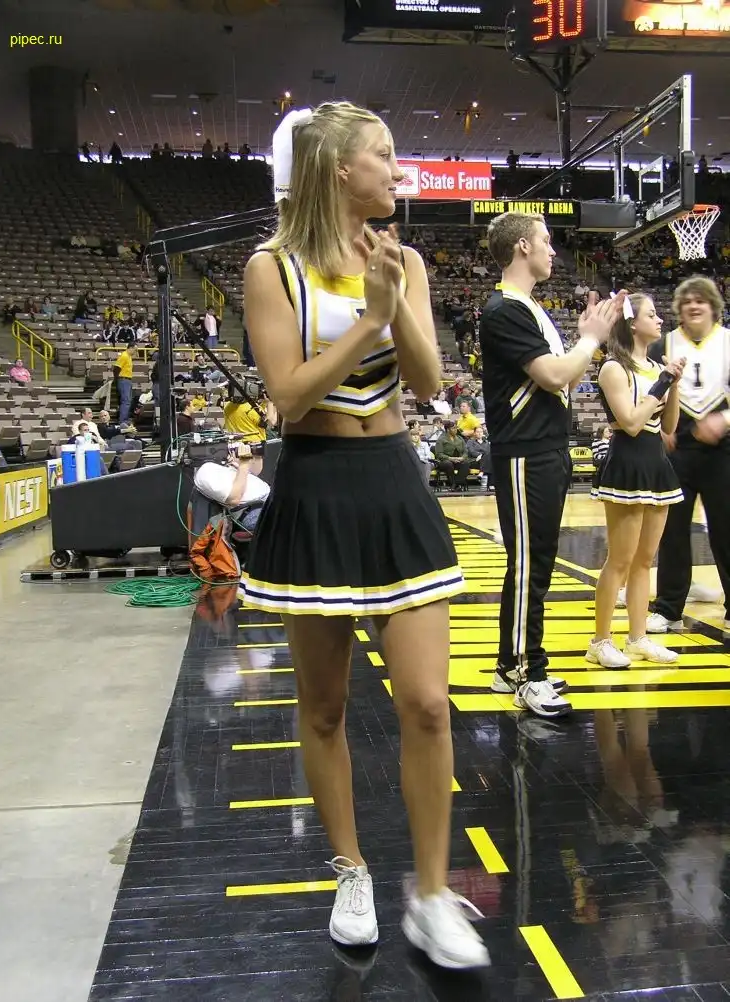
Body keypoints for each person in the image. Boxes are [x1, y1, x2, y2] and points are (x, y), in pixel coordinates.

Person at [237, 102, 488, 968]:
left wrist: (396, 306)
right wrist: (371, 322)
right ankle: (352, 871)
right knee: (324, 707)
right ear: (339, 168)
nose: (398, 168)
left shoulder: (404, 259)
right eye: (384, 154)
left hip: (392, 481)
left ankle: (431, 894)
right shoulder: (271, 268)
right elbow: (288, 396)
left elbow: (429, 381)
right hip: (316, 484)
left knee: (426, 702)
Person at [478, 211, 624, 718]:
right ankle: (526, 672)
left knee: (535, 563)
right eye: (545, 240)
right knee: (529, 565)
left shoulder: (528, 307)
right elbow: (555, 375)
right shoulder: (504, 309)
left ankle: (511, 664)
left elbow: (562, 378)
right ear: (522, 246)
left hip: (544, 448)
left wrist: (586, 337)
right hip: (524, 450)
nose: (552, 250)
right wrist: (592, 337)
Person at [588, 294, 686, 667]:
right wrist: (661, 383)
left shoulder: (655, 368)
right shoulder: (614, 368)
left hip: (656, 464)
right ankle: (600, 641)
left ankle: (638, 638)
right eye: (652, 314)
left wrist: (673, 384)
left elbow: (669, 426)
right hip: (626, 465)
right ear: (632, 323)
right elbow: (629, 422)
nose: (659, 320)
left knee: (645, 561)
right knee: (620, 560)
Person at [647, 275, 730, 634]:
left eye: (701, 300)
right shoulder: (663, 344)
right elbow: (646, 389)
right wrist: (657, 426)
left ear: (714, 306)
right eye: (687, 301)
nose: (694, 306)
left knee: (726, 528)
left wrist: (724, 419)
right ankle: (669, 608)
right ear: (679, 309)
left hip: (722, 449)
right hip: (676, 448)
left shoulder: (727, 341)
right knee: (672, 531)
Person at [194, 442, 269, 530]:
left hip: (268, 499)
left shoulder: (228, 463)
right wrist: (243, 464)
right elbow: (234, 499)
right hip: (252, 511)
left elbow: (256, 471)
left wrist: (256, 454)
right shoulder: (205, 471)